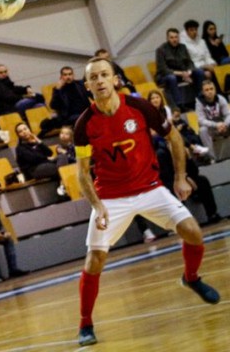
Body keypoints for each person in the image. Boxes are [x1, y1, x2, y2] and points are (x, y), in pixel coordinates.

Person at [73, 58, 219, 347]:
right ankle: (85, 324)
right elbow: (82, 173)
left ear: (116, 79)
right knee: (95, 260)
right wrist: (97, 205)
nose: (100, 80)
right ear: (88, 85)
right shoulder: (84, 124)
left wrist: (179, 176)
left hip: (150, 188)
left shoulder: (140, 108)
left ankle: (191, 278)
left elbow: (174, 138)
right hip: (111, 197)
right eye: (93, 77)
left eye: (105, 74)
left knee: (193, 231)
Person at [155, 28, 205, 110]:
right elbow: (163, 69)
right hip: (165, 76)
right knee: (172, 78)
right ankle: (180, 106)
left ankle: (201, 98)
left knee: (199, 72)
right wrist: (181, 73)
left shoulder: (183, 47)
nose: (174, 39)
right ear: (167, 38)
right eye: (172, 37)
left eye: (176, 37)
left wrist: (188, 72)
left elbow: (189, 62)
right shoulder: (161, 50)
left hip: (182, 73)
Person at [196, 81, 230, 159]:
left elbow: (227, 115)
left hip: (224, 126)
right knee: (202, 130)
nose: (210, 92)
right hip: (212, 129)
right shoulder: (199, 103)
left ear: (215, 90)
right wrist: (216, 125)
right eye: (206, 90)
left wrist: (225, 124)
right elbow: (201, 120)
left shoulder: (220, 99)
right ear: (203, 92)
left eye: (211, 89)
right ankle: (212, 157)